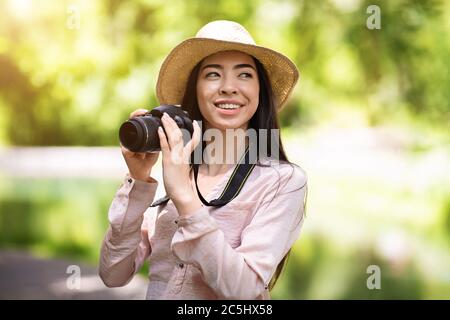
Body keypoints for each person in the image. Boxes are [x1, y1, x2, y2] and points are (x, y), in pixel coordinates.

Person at [99, 20, 307, 300]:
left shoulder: (282, 182)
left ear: (260, 91)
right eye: (212, 75)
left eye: (244, 75)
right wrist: (138, 180)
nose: (229, 87)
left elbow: (245, 291)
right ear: (195, 89)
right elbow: (113, 274)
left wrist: (186, 199)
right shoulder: (178, 166)